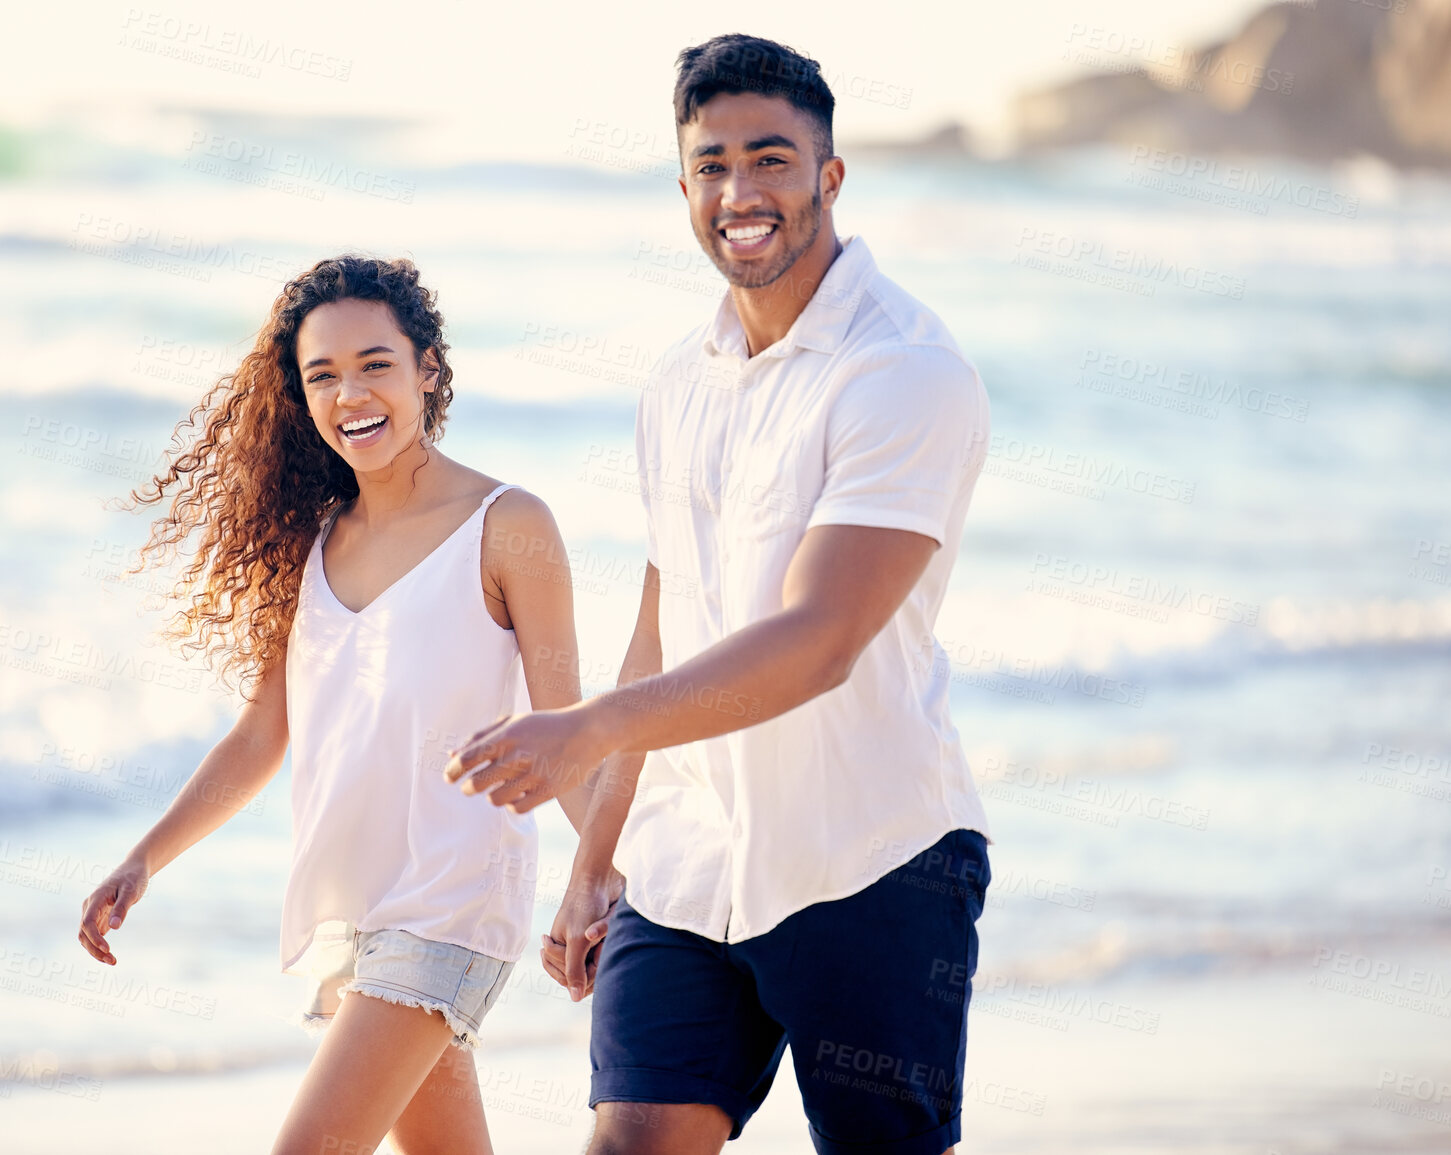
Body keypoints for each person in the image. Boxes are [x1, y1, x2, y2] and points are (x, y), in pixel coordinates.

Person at [444, 35, 993, 1155]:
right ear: (685, 185)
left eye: (772, 161)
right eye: (711, 166)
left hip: (871, 861)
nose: (740, 193)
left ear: (829, 178)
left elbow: (819, 640)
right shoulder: (677, 384)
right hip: (685, 866)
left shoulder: (905, 373)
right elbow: (662, 627)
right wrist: (599, 853)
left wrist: (587, 729)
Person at [77, 256, 594, 1155]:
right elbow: (259, 735)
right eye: (322, 375)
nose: (349, 392)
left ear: (427, 367)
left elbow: (571, 732)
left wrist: (602, 879)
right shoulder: (310, 542)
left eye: (375, 364)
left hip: (453, 896)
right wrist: (143, 857)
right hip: (355, 908)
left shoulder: (509, 525)